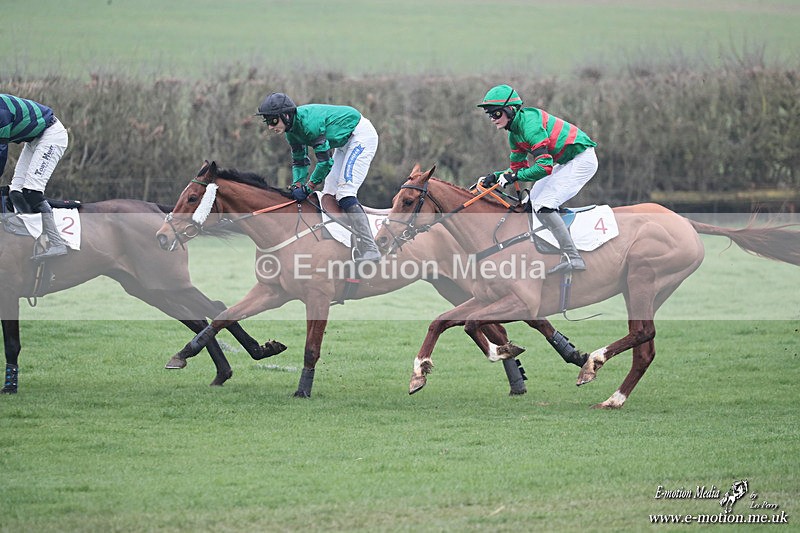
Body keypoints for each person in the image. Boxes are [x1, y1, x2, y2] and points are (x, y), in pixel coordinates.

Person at [477, 84, 598, 274]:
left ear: (510, 109)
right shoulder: (514, 135)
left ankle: (573, 257)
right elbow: (517, 169)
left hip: (582, 160)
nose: (492, 119)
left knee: (544, 204)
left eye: (496, 113)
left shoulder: (530, 125)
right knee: (528, 202)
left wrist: (513, 176)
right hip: (565, 162)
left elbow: (544, 167)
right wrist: (496, 177)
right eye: (489, 115)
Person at [255, 92, 381, 262]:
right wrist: (297, 185)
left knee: (345, 193)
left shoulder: (309, 125)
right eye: (267, 122)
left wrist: (309, 187)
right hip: (343, 143)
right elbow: (300, 161)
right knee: (329, 193)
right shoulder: (291, 131)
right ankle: (342, 244)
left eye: (273, 121)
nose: (270, 126)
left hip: (360, 136)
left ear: (286, 115)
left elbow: (325, 163)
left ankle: (370, 247)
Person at [1, 94, 69, 260]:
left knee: (32, 192)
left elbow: (1, 154)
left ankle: (57, 242)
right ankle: (36, 236)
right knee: (15, 193)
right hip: (35, 139)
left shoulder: (0, 114)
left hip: (51, 135)